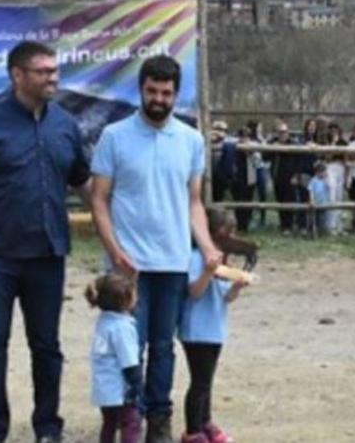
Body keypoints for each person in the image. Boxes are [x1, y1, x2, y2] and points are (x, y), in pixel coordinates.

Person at [0, 41, 92, 443]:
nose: (53, 78)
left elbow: (85, 183)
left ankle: (48, 428)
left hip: (47, 254)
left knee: (47, 347)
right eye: (43, 71)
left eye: (55, 71)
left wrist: (115, 231)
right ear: (18, 75)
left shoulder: (65, 125)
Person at [88, 54, 222, 443]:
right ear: (141, 89)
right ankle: (127, 419)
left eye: (166, 92)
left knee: (164, 346)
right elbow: (99, 199)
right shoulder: (114, 136)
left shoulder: (192, 140)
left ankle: (158, 424)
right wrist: (114, 251)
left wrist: (208, 247)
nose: (158, 99)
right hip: (128, 266)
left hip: (174, 261)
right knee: (131, 345)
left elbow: (194, 202)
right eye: (152, 91)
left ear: (176, 94)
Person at [178, 209, 248, 443]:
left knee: (206, 382)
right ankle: (192, 431)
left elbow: (225, 297)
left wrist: (236, 286)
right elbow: (195, 292)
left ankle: (205, 421)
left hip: (214, 329)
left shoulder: (221, 260)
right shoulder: (197, 258)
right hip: (196, 330)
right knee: (199, 382)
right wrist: (209, 271)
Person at [86, 273, 143, 443]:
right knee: (131, 423)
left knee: (109, 424)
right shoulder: (122, 328)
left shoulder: (104, 321)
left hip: (104, 388)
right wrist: (137, 386)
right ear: (126, 300)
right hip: (121, 389)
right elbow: (129, 362)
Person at [267, 122, 302, 234]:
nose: (282, 134)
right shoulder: (272, 143)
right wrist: (272, 148)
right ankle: (283, 225)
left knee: (290, 201)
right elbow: (265, 157)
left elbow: (298, 162)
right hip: (277, 176)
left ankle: (290, 225)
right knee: (280, 201)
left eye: (284, 132)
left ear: (288, 132)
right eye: (280, 132)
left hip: (290, 177)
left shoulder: (293, 144)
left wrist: (296, 175)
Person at [210, 121, 234, 203]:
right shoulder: (206, 138)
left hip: (222, 178)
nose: (220, 132)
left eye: (224, 130)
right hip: (207, 176)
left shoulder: (229, 142)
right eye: (218, 129)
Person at [307, 161, 331, 235]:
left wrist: (326, 180)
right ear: (317, 172)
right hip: (315, 202)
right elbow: (311, 191)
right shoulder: (313, 181)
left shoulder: (325, 181)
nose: (324, 174)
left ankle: (321, 231)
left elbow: (328, 188)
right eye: (322, 172)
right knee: (314, 218)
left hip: (324, 202)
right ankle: (312, 230)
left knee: (322, 218)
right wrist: (311, 200)